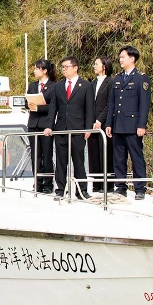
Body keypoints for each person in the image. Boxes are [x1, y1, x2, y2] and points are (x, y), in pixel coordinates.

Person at [105, 46, 152, 200]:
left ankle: (140, 188)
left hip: (132, 125)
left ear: (132, 59)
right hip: (118, 124)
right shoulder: (118, 79)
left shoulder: (141, 78)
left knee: (136, 157)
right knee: (118, 158)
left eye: (123, 57)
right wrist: (109, 123)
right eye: (120, 57)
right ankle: (120, 187)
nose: (120, 60)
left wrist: (141, 125)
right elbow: (112, 104)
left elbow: (144, 104)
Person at [44, 56, 94, 199]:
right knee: (61, 161)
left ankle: (82, 190)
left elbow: (89, 109)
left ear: (75, 67)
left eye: (67, 67)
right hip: (61, 128)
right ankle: (60, 189)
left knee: (78, 161)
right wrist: (49, 126)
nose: (64, 69)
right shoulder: (58, 86)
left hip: (78, 129)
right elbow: (53, 108)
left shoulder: (85, 85)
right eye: (63, 67)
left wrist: (88, 128)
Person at [26, 59, 57, 193]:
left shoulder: (54, 86)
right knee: (35, 155)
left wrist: (39, 107)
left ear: (44, 70)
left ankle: (48, 183)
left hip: (46, 124)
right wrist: (30, 105)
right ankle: (37, 182)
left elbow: (53, 106)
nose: (34, 71)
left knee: (47, 155)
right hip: (33, 123)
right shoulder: (32, 85)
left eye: (37, 68)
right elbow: (27, 101)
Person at [87, 56, 114, 192]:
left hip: (104, 123)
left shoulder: (111, 82)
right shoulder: (92, 84)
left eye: (97, 64)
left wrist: (99, 120)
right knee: (93, 154)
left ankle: (108, 185)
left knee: (106, 153)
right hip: (92, 123)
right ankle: (96, 184)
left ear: (104, 66)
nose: (94, 66)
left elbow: (110, 104)